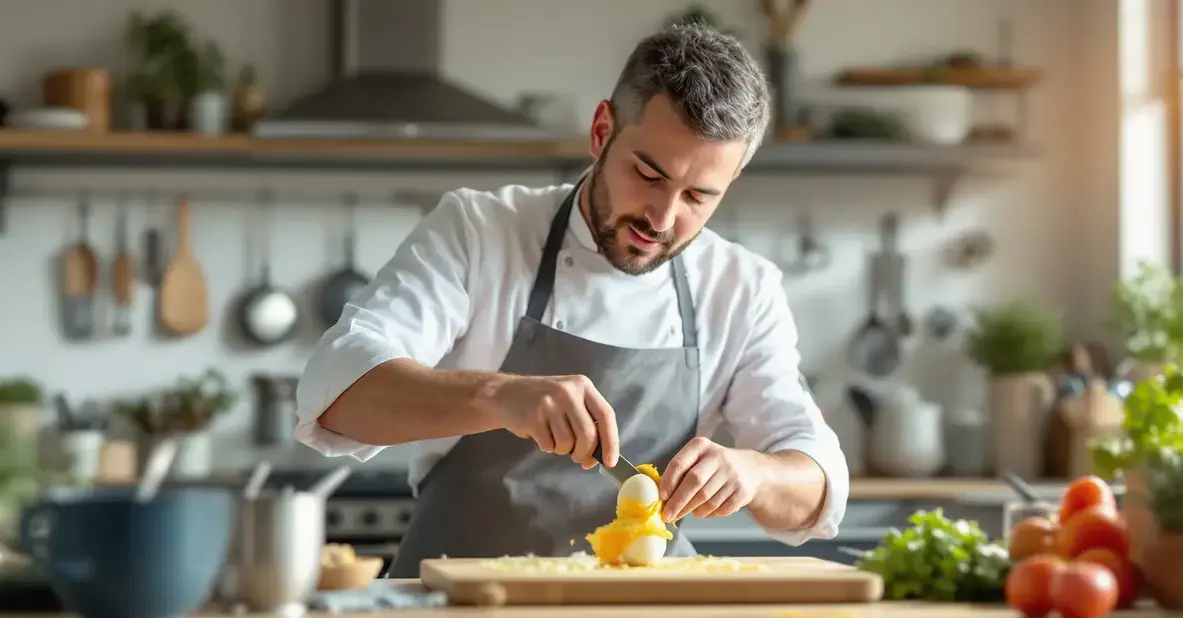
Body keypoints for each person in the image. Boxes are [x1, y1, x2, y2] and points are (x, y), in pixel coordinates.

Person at [295, 24, 848, 579]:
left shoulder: (741, 289)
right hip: (456, 609)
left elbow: (819, 487)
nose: (662, 218)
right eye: (648, 174)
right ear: (602, 131)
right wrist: (498, 395)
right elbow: (337, 389)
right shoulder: (479, 232)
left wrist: (752, 473)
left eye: (698, 197)